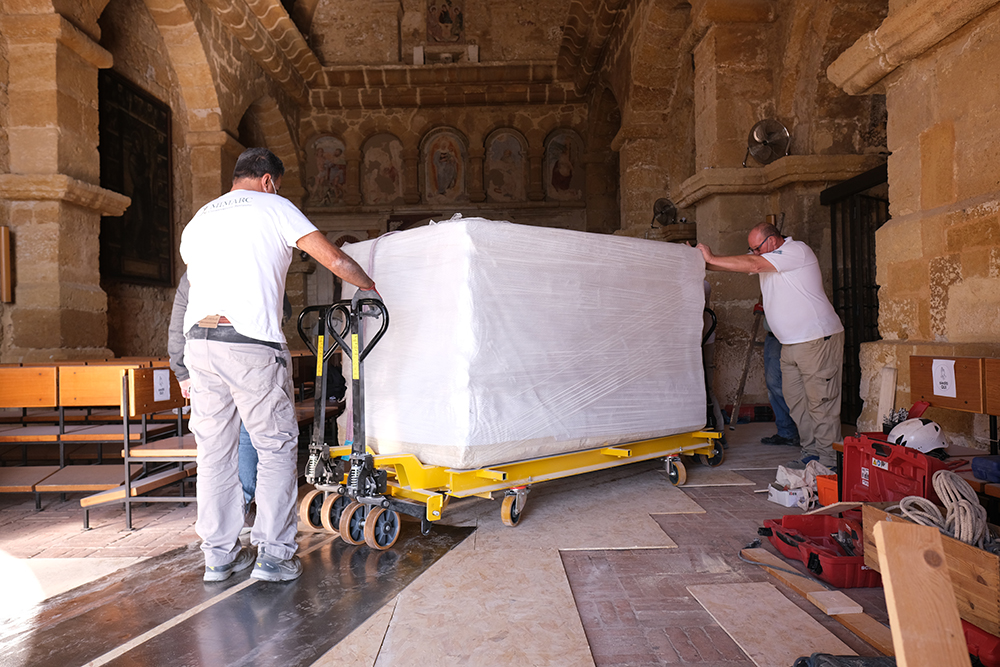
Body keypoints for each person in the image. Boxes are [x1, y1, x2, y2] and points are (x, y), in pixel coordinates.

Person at [180, 147, 377, 583]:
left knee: (214, 453)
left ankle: (219, 557)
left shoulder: (201, 218)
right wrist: (370, 284)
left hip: (200, 343)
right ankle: (273, 555)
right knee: (275, 447)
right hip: (248, 343)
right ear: (268, 180)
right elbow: (334, 260)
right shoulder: (274, 206)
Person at [696, 222, 843, 470]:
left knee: (821, 402)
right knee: (797, 402)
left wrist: (711, 258)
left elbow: (752, 263)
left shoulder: (796, 251)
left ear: (772, 241)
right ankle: (811, 453)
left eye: (757, 248)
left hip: (816, 339)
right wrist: (697, 260)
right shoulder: (768, 259)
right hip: (790, 343)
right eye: (752, 250)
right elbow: (740, 265)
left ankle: (829, 461)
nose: (754, 253)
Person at [168, 272, 293, 518]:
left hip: (203, 356)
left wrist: (181, 371)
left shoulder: (194, 270)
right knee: (264, 441)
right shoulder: (256, 262)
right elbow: (283, 309)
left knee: (213, 448)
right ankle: (248, 508)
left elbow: (178, 320)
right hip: (252, 351)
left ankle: (220, 528)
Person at [760, 312, 800, 447]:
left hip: (782, 336)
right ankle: (786, 431)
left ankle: (803, 425)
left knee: (775, 383)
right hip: (772, 336)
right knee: (772, 388)